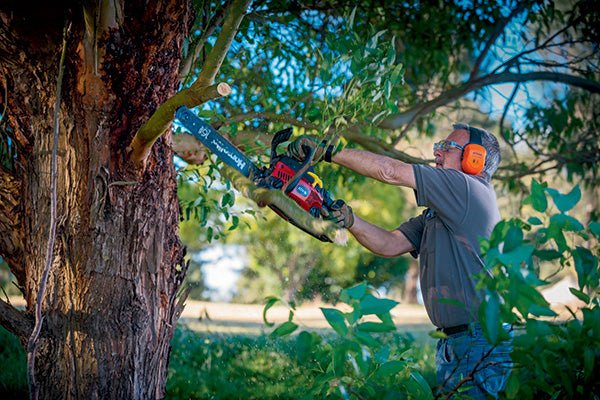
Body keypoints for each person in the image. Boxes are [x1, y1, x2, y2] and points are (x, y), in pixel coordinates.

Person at [288, 124, 512, 399]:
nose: (437, 153)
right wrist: (350, 220)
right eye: (438, 146)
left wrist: (327, 152)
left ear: (474, 159)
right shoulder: (439, 213)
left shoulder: (467, 189)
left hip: (479, 339)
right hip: (456, 340)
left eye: (447, 147)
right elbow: (390, 243)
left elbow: (390, 171)